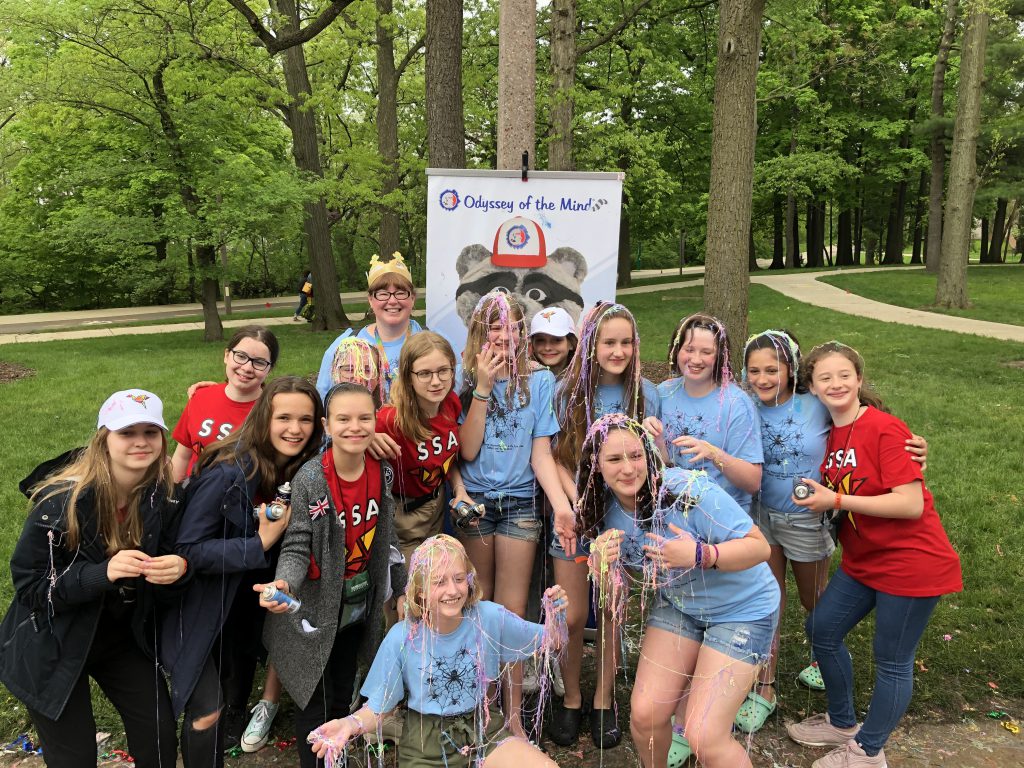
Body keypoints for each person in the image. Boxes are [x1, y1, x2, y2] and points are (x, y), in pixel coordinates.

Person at [736, 330, 929, 735]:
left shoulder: (817, 405)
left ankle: (823, 658)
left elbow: (867, 427)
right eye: (755, 370)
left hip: (809, 519)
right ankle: (765, 687)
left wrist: (915, 451)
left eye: (773, 369)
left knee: (816, 603)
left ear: (791, 370)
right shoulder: (744, 404)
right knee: (769, 601)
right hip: (761, 517)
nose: (764, 378)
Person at [785, 342, 961, 768]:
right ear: (811, 387)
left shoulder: (885, 428)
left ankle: (867, 752)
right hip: (864, 563)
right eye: (824, 377)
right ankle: (843, 722)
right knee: (822, 628)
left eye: (844, 375)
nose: (836, 384)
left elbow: (910, 504)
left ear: (859, 380)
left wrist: (836, 501)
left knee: (893, 660)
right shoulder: (827, 433)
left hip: (911, 563)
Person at [577, 415, 778, 768]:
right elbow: (616, 601)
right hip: (681, 606)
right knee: (644, 716)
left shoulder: (688, 492)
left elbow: (760, 548)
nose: (628, 469)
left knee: (704, 735)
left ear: (649, 455)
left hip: (743, 609)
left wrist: (702, 555)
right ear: (596, 466)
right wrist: (603, 569)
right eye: (614, 459)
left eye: (636, 456)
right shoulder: (601, 510)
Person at [0, 390, 185, 768]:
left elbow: (175, 566)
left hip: (118, 637)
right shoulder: (61, 501)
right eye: (126, 432)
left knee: (160, 735)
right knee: (75, 758)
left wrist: (179, 569)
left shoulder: (161, 497)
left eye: (151, 432)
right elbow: (32, 588)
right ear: (104, 438)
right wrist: (103, 573)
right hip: (51, 641)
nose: (140, 442)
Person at [161, 376, 324, 766]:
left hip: (250, 599)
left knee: (231, 687)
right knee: (206, 706)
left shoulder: (298, 468)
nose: (295, 429)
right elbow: (188, 551)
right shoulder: (229, 471)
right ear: (264, 417)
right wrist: (261, 543)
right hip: (209, 604)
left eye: (306, 419)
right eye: (284, 417)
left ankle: (234, 715)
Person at [307, 534, 567, 768]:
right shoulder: (402, 637)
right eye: (439, 582)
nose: (452, 591)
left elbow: (552, 640)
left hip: (484, 731)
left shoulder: (488, 617)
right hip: (426, 746)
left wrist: (556, 616)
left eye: (458, 579)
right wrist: (349, 725)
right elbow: (378, 707)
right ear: (419, 591)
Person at [256, 382, 408, 768]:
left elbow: (387, 536)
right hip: (316, 608)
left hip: (358, 604)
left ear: (376, 422)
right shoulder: (312, 478)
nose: (354, 427)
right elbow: (296, 542)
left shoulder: (382, 472)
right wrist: (284, 582)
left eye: (364, 418)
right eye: (343, 419)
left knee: (343, 686)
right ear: (326, 425)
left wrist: (401, 587)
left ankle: (334, 755)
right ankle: (316, 760)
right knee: (314, 696)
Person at [457, 290, 574, 738]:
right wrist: (484, 389)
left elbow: (541, 455)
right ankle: (481, 714)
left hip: (521, 508)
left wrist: (562, 508)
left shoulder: (540, 382)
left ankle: (512, 720)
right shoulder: (464, 381)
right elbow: (466, 450)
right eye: (494, 332)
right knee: (477, 606)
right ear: (478, 335)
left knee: (508, 613)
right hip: (478, 509)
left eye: (512, 332)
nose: (503, 341)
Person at [548, 301, 660, 748]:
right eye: (608, 342)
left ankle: (602, 698)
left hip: (621, 520)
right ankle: (570, 696)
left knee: (613, 609)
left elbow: (653, 464)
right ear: (591, 346)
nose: (618, 350)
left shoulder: (645, 393)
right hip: (574, 516)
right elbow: (555, 458)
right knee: (574, 616)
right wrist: (578, 506)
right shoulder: (566, 392)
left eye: (625, 342)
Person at [370, 331, 474, 560]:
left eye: (443, 371)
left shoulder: (450, 403)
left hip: (435, 508)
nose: (436, 381)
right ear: (408, 376)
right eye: (425, 373)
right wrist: (367, 438)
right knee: (415, 585)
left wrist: (459, 489)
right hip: (403, 515)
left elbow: (447, 457)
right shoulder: (390, 420)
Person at [171, 325, 279, 482]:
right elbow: (182, 456)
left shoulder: (274, 409)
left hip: (243, 499)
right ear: (227, 355)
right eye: (241, 356)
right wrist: (172, 496)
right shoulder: (200, 396)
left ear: (269, 369)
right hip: (196, 494)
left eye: (259, 362)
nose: (247, 368)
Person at [316, 252, 421, 401]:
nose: (392, 301)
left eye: (400, 293)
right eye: (382, 294)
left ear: (412, 298)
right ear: (371, 300)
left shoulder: (432, 340)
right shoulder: (347, 343)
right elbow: (324, 398)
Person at [316, 335, 384, 406]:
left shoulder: (389, 416)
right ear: (335, 373)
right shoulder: (325, 413)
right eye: (350, 370)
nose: (358, 378)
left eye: (367, 371)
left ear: (378, 377)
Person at [528, 306, 578, 376]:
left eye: (557, 340)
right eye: (540, 340)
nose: (547, 348)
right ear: (532, 345)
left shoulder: (584, 380)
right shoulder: (520, 377)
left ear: (571, 344)